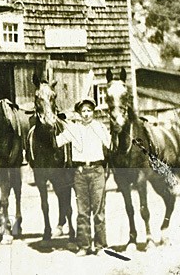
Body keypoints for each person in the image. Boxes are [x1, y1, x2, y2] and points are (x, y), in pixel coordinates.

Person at [55, 97, 112, 256]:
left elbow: (111, 144)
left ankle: (101, 246)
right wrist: (54, 121)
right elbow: (57, 141)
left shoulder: (100, 127)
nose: (86, 114)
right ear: (79, 113)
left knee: (99, 210)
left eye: (89, 111)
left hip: (97, 170)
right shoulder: (73, 128)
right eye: (83, 111)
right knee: (82, 211)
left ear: (93, 112)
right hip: (79, 172)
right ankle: (84, 246)